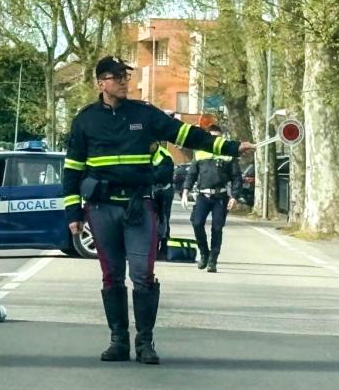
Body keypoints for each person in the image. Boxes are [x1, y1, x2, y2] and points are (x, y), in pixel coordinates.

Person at [62, 55, 254, 365]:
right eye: (116, 77)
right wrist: (73, 213)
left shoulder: (144, 114)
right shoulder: (85, 120)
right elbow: (72, 170)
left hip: (139, 206)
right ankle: (118, 341)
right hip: (101, 208)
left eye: (126, 76)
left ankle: (145, 342)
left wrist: (230, 147)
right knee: (112, 275)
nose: (123, 82)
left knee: (143, 275)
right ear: (100, 83)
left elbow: (187, 134)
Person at [181, 125, 242, 273]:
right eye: (212, 137)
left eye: (217, 137)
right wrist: (185, 191)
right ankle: (204, 253)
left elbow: (236, 177)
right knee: (197, 223)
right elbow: (192, 174)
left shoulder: (228, 155)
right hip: (203, 195)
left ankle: (213, 260)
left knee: (217, 228)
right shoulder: (200, 153)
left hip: (220, 197)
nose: (215, 140)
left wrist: (234, 196)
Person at [151, 140, 175, 260]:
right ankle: (153, 248)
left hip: (164, 191)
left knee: (163, 218)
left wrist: (145, 174)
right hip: (151, 190)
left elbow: (160, 176)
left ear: (156, 143)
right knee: (151, 220)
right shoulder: (143, 152)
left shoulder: (165, 156)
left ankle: (164, 249)